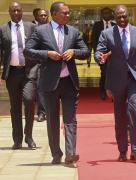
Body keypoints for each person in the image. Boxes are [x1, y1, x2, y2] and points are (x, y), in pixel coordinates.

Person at [24, 1, 90, 164]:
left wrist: (74, 52)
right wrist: (47, 54)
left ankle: (70, 153)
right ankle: (56, 153)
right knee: (53, 119)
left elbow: (86, 52)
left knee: (70, 119)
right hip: (49, 83)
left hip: (69, 83)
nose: (68, 15)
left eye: (68, 13)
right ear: (54, 14)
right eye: (65, 13)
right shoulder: (40, 31)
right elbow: (27, 50)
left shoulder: (73, 32)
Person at [95, 5, 136, 162]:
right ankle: (122, 150)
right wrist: (101, 58)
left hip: (135, 78)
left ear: (129, 16)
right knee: (120, 116)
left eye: (124, 16)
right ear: (115, 17)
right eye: (119, 17)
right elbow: (98, 52)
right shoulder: (106, 33)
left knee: (134, 111)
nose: (122, 19)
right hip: (116, 80)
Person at [0, 1, 37, 150]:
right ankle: (18, 140)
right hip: (12, 73)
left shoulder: (32, 27)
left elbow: (39, 47)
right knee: (15, 107)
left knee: (29, 101)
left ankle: (29, 136)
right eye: (13, 11)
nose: (16, 13)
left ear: (22, 12)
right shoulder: (3, 29)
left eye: (18, 10)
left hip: (29, 72)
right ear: (9, 12)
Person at [92, 7, 115, 100]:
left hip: (113, 54)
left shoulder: (115, 25)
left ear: (111, 14)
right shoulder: (97, 25)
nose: (106, 15)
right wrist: (97, 54)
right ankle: (103, 91)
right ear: (101, 15)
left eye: (108, 13)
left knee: (114, 73)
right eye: (104, 13)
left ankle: (114, 92)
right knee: (104, 73)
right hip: (102, 54)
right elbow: (94, 40)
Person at [35, 9, 49, 122]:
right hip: (36, 64)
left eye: (45, 15)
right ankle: (42, 112)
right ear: (37, 17)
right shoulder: (32, 29)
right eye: (41, 15)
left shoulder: (52, 29)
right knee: (40, 89)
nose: (43, 17)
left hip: (52, 64)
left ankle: (50, 111)